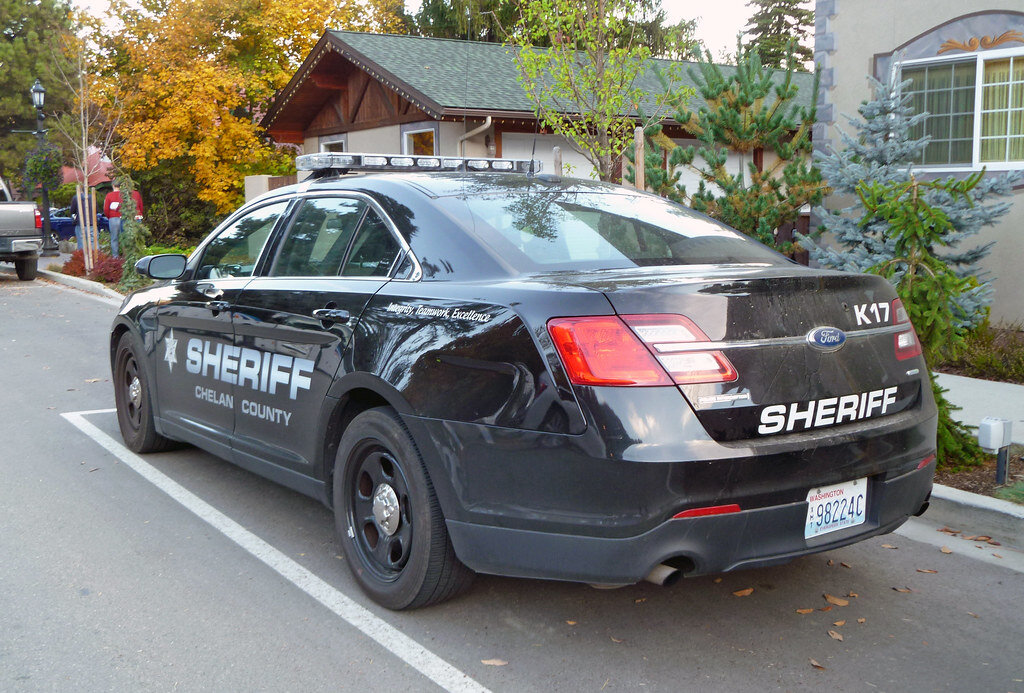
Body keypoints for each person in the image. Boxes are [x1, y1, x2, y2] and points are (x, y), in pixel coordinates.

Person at [102, 182, 144, 258]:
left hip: (114, 218)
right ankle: (133, 256)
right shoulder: (134, 194)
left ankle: (115, 257)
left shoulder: (110, 195)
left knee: (114, 238)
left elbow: (106, 209)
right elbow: (140, 206)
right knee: (132, 238)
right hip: (134, 216)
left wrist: (110, 217)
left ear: (113, 185)